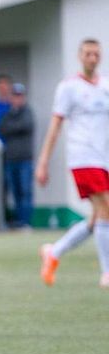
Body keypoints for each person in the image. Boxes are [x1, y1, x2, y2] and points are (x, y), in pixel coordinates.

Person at [36, 38, 109, 288]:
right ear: (80, 56)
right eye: (87, 53)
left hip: (103, 159)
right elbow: (55, 126)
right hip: (83, 157)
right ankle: (107, 272)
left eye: (96, 54)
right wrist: (43, 162)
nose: (92, 58)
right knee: (106, 209)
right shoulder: (69, 87)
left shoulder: (106, 86)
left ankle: (54, 252)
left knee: (97, 218)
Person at [0, 82, 35, 229]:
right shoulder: (8, 113)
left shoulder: (27, 112)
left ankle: (26, 222)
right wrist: (14, 126)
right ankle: (18, 221)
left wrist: (13, 127)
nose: (17, 99)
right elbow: (3, 128)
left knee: (25, 191)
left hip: (25, 159)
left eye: (20, 96)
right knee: (15, 192)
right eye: (15, 95)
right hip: (10, 159)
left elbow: (25, 126)